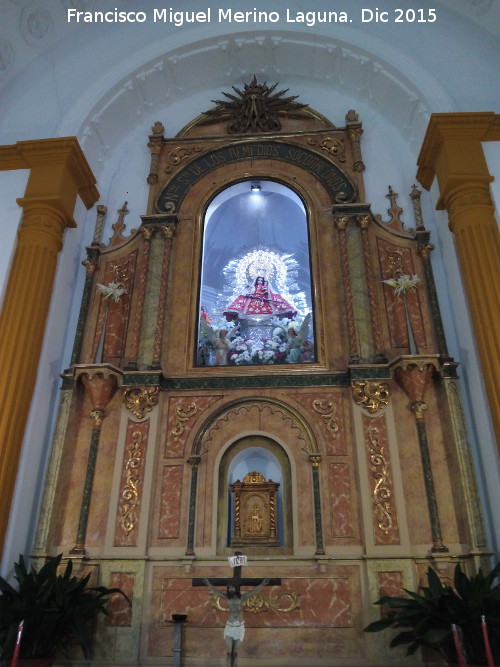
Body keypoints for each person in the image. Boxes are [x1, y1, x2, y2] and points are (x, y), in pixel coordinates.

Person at [203, 577, 270, 667]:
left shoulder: (242, 598)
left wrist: (262, 584)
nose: (231, 589)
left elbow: (253, 592)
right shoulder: (227, 598)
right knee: (229, 652)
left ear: (235, 588)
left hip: (239, 627)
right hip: (230, 627)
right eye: (229, 588)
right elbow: (216, 592)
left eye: (232, 587)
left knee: (235, 653)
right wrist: (208, 584)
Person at [224, 276, 296, 321]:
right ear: (256, 281)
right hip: (253, 302)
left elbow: (273, 294)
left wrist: (266, 292)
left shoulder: (267, 287)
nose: (260, 282)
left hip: (264, 302)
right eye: (259, 280)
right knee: (243, 301)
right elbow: (246, 293)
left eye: (262, 281)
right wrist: (248, 289)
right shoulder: (253, 287)